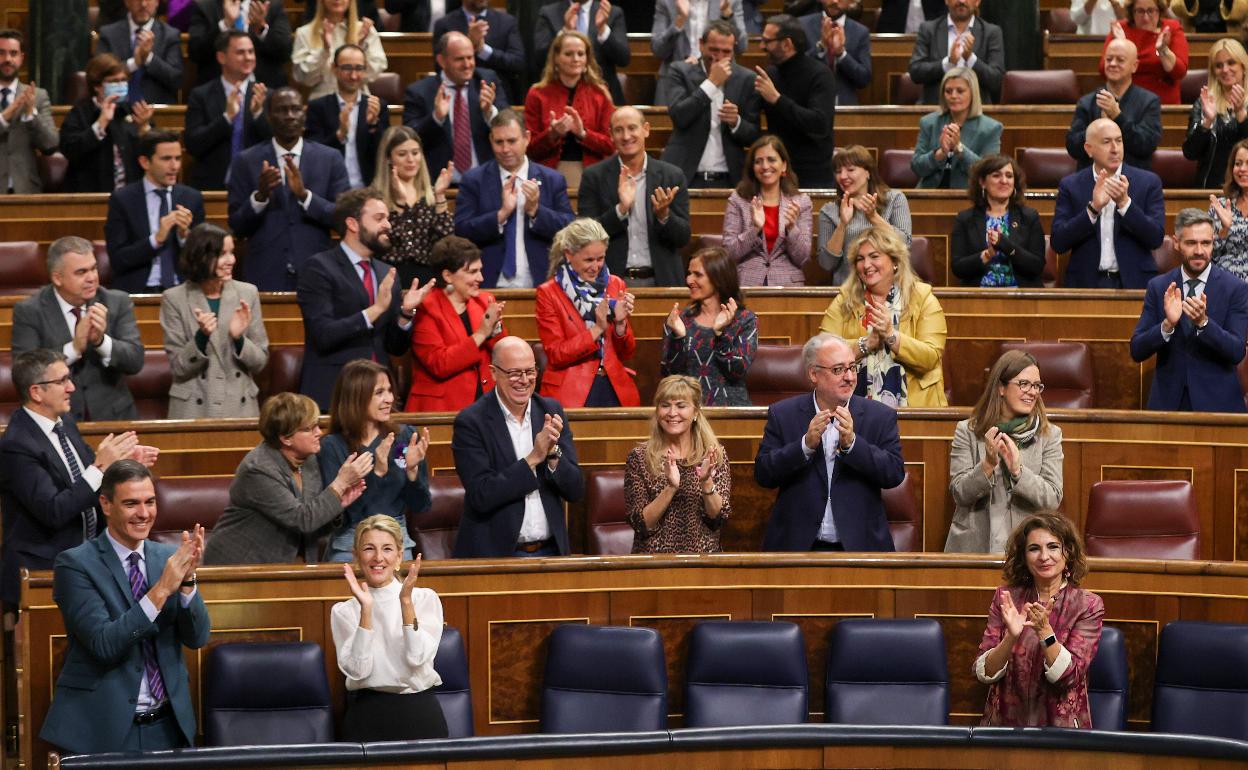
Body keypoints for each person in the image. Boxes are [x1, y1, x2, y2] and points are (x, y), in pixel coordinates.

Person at [39, 461, 209, 754]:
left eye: (150, 502)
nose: (144, 513)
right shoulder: (75, 564)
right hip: (104, 729)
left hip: (168, 728)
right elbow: (104, 644)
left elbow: (197, 638)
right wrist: (161, 590)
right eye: (131, 503)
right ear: (105, 504)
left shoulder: (168, 557)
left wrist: (187, 582)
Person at [0, 350, 157, 606]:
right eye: (61, 381)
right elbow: (54, 510)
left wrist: (119, 466)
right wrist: (101, 465)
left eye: (69, 379)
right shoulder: (17, 445)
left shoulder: (66, 423)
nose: (71, 387)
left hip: (89, 560)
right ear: (36, 392)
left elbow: (90, 483)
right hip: (43, 570)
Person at [754, 333, 906, 551]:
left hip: (859, 548)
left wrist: (853, 445)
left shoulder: (880, 416)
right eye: (838, 370)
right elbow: (763, 474)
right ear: (813, 374)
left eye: (852, 367)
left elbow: (894, 473)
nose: (850, 377)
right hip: (797, 549)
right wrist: (804, 446)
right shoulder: (784, 414)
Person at [296, 187, 434, 411]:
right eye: (379, 218)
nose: (388, 225)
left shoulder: (387, 272)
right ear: (352, 224)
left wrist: (405, 314)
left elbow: (395, 348)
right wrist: (375, 310)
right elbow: (323, 334)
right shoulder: (319, 268)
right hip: (335, 395)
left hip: (381, 398)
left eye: (388, 218)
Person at [451, 336, 585, 557]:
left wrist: (552, 454)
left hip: (551, 553)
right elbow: (481, 495)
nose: (524, 380)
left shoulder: (550, 411)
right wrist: (534, 457)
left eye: (530, 371)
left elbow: (575, 490)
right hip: (497, 556)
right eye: (514, 373)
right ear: (494, 372)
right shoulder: (472, 422)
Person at [203, 392, 374, 564]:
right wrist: (340, 483)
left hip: (286, 565)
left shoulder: (309, 460)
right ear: (286, 438)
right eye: (309, 429)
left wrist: (339, 504)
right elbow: (302, 519)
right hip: (238, 565)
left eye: (317, 425)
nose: (319, 432)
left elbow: (311, 526)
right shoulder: (258, 469)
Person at [975, 513, 1104, 728]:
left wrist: (1045, 633)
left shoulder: (1087, 604)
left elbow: (1068, 677)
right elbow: (984, 673)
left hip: (1061, 734)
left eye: (1053, 547)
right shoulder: (1006, 597)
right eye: (1034, 548)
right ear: (1024, 557)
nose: (1044, 556)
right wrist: (1010, 638)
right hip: (1005, 728)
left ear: (1068, 552)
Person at [331, 515, 448, 741]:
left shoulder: (424, 599)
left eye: (387, 548)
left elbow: (417, 658)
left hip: (420, 713)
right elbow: (358, 671)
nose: (378, 558)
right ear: (356, 556)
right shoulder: (343, 611)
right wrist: (366, 610)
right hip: (367, 715)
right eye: (368, 548)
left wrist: (406, 602)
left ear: (398, 555)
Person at [227, 86, 350, 291]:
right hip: (265, 271)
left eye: (295, 109)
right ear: (269, 116)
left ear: (304, 113)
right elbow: (237, 225)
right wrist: (260, 196)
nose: (290, 116)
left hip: (317, 269)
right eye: (282, 110)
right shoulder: (246, 161)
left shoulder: (330, 158)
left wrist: (305, 196)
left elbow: (342, 218)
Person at [12, 236, 145, 422]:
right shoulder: (30, 311)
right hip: (57, 420)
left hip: (115, 418)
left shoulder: (117, 302)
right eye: (81, 272)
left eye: (94, 268)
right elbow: (24, 373)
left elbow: (135, 361)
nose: (92, 278)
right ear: (57, 278)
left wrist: (101, 342)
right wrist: (74, 348)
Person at [1130, 207, 1248, 411]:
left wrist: (1204, 324)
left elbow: (1237, 351)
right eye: (1191, 243)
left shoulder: (1235, 288)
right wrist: (1167, 325)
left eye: (1206, 243)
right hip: (1168, 405)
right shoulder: (1159, 287)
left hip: (1218, 406)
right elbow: (1137, 350)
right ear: (1176, 243)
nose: (1200, 251)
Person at [946, 351, 1064, 553]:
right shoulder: (968, 431)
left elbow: (1052, 499)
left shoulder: (1049, 435)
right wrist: (987, 466)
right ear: (1001, 388)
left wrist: (1018, 471)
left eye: (1037, 386)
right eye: (1024, 384)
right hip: (973, 549)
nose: (1032, 392)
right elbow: (959, 494)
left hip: (1025, 551)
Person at [819, 227, 949, 407]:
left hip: (915, 409)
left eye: (874, 256)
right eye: (860, 259)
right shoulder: (845, 300)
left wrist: (891, 336)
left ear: (894, 261)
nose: (866, 265)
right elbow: (822, 352)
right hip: (853, 409)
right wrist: (866, 344)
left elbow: (930, 357)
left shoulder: (922, 297)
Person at [320, 360, 431, 562]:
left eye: (389, 391)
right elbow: (342, 516)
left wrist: (412, 472)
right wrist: (377, 474)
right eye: (379, 392)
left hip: (396, 544)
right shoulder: (333, 446)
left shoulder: (402, 439)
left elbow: (421, 505)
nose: (389, 399)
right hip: (350, 545)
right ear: (357, 397)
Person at [454, 109, 577, 289]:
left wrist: (536, 211)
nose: (505, 149)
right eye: (499, 142)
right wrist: (500, 216)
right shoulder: (474, 180)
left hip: (541, 282)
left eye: (511, 141)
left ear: (526, 138)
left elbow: (569, 230)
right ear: (491, 141)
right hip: (487, 282)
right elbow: (461, 230)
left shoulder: (552, 179)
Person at [160, 223, 269, 419]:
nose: (232, 260)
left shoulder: (247, 293)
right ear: (202, 257)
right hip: (193, 409)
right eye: (223, 254)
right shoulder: (174, 298)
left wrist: (239, 339)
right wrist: (201, 337)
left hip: (239, 408)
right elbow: (178, 368)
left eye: (232, 253)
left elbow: (260, 362)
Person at [578, 106, 692, 288]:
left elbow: (683, 237)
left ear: (646, 129)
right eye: (619, 130)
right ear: (611, 135)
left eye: (632, 128)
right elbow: (584, 237)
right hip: (610, 281)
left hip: (661, 281)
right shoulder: (594, 176)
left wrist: (664, 216)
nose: (626, 136)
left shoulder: (672, 176)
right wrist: (620, 210)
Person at [536, 218, 640, 408]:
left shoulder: (615, 284)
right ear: (569, 254)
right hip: (570, 390)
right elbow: (556, 354)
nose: (596, 266)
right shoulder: (549, 293)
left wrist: (620, 324)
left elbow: (627, 352)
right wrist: (598, 329)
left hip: (613, 386)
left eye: (600, 259)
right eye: (589, 260)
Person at [1051, 117, 1166, 289]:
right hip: (1086, 284)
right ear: (1089, 149)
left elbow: (1155, 238)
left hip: (1135, 283)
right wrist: (1093, 209)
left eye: (1119, 141)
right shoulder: (1071, 185)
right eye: (1106, 142)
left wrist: (1125, 204)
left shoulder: (1148, 182)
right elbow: (1059, 243)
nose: (1115, 149)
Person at [625, 375, 732, 554]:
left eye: (681, 406)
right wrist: (671, 488)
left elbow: (718, 519)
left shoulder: (713, 455)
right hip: (654, 564)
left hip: (703, 563)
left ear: (696, 412)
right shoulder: (639, 457)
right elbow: (641, 524)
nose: (672, 413)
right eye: (665, 405)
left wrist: (706, 482)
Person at [659, 19, 762, 189]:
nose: (719, 57)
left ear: (734, 50)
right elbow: (679, 116)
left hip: (731, 178)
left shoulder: (747, 79)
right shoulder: (680, 71)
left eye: (726, 52)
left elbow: (753, 135)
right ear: (701, 45)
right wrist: (712, 83)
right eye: (714, 50)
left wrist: (736, 122)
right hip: (685, 175)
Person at [408, 236, 506, 412]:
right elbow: (440, 363)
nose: (481, 278)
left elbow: (502, 352)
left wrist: (495, 327)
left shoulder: (485, 300)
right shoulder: (426, 308)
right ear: (448, 275)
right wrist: (481, 334)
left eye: (480, 270)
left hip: (485, 404)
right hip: (441, 408)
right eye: (472, 272)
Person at [104, 130, 207, 293]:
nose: (175, 166)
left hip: (182, 291)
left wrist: (184, 236)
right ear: (145, 162)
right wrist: (156, 240)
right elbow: (118, 259)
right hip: (138, 289)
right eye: (166, 159)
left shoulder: (192, 198)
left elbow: (204, 260)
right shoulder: (123, 200)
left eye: (178, 158)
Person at [402, 31, 509, 185]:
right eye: (459, 59)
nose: (467, 64)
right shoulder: (419, 92)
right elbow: (409, 139)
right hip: (440, 183)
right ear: (441, 60)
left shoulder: (486, 81)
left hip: (487, 181)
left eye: (470, 57)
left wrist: (489, 112)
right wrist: (436, 118)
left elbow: (509, 125)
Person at [662, 246, 758, 406]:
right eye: (689, 273)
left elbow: (737, 371)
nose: (688, 280)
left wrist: (721, 334)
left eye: (697, 275)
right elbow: (669, 375)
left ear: (718, 278)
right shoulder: (679, 320)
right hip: (688, 412)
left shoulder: (744, 320)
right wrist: (678, 338)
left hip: (731, 412)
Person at [524, 31, 615, 190]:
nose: (576, 59)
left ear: (587, 59)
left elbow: (611, 145)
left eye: (581, 54)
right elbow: (528, 148)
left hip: (592, 172)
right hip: (547, 172)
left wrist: (583, 134)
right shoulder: (537, 93)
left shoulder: (600, 93)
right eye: (569, 54)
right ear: (556, 58)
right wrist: (552, 134)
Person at [184, 29, 273, 191]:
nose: (248, 57)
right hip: (212, 184)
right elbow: (193, 144)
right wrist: (226, 118)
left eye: (251, 52)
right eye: (240, 52)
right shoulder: (201, 95)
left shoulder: (267, 95)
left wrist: (258, 114)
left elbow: (276, 142)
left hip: (257, 185)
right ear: (221, 57)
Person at [754, 14, 837, 187]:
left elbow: (819, 123)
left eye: (767, 41)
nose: (762, 46)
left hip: (813, 175)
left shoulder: (820, 75)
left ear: (787, 44)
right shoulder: (771, 74)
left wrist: (777, 99)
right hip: (776, 172)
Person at [723, 134, 812, 286]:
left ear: (783, 165)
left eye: (771, 160)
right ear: (753, 168)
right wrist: (755, 229)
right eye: (758, 161)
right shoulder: (738, 200)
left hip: (788, 284)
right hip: (747, 282)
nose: (765, 166)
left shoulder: (801, 202)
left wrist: (792, 228)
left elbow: (802, 258)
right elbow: (729, 254)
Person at [818, 145, 913, 286]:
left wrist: (874, 217)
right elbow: (826, 264)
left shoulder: (894, 199)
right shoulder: (829, 211)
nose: (843, 176)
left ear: (868, 172)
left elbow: (904, 244)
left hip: (890, 288)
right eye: (838, 171)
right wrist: (842, 225)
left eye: (850, 170)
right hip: (847, 291)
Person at [372, 126, 454, 289]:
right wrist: (401, 204)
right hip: (391, 280)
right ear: (388, 158)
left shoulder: (430, 194)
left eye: (415, 153)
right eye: (402, 154)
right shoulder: (375, 198)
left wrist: (439, 196)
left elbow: (446, 245)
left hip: (429, 280)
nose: (411, 160)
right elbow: (383, 245)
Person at [59, 53, 153, 193]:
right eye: (114, 81)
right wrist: (100, 124)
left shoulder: (133, 111)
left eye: (123, 80)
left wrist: (144, 128)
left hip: (130, 194)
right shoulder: (80, 112)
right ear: (97, 86)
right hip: (91, 195)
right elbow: (70, 150)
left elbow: (153, 156)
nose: (120, 85)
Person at [1067, 37, 1162, 172]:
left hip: (1133, 179)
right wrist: (1098, 126)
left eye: (1120, 60)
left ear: (1134, 66)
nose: (1113, 64)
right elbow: (1073, 147)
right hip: (1091, 180)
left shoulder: (1149, 102)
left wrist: (1118, 117)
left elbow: (1146, 145)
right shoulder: (1087, 102)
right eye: (1109, 59)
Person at [951, 155, 1047, 288]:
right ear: (982, 182)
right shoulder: (965, 219)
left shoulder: (1029, 217)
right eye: (996, 175)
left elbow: (1037, 266)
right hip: (978, 299)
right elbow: (958, 268)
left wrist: (1007, 246)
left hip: (1022, 298)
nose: (1004, 181)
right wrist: (987, 254)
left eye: (1009, 176)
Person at [305, 43, 392, 188]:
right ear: (334, 69)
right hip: (331, 190)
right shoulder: (318, 107)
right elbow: (312, 155)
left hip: (369, 189)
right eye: (347, 68)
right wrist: (339, 135)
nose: (353, 76)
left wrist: (373, 126)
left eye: (359, 68)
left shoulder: (377, 107)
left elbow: (386, 153)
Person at [911, 67, 1002, 190]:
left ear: (972, 93)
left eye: (960, 91)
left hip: (968, 196)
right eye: (948, 91)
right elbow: (916, 167)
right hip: (930, 194)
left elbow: (987, 172)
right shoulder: (929, 123)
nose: (953, 96)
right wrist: (940, 153)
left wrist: (959, 148)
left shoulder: (990, 128)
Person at [534, 0, 630, 106]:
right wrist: (565, 31)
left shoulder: (612, 12)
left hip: (603, 98)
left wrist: (603, 30)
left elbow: (623, 59)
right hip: (557, 97)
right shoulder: (549, 13)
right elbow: (539, 58)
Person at [908, 0, 1005, 104]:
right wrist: (948, 62)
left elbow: (996, 80)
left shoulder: (991, 32)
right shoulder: (928, 29)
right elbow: (915, 71)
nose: (961, 1)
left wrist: (971, 59)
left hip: (977, 110)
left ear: (977, 2)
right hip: (936, 108)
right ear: (946, 1)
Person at [652, 0, 747, 106]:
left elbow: (741, 47)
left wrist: (728, 15)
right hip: (677, 78)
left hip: (720, 75)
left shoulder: (730, 2)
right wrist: (679, 20)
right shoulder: (667, 2)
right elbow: (658, 50)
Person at [1182, 38, 1248, 188]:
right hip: (1210, 188)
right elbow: (1190, 153)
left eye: (1231, 63)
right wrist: (1207, 122)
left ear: (1243, 66)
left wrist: (1241, 115)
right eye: (1218, 65)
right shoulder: (1204, 103)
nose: (1225, 70)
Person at [0, 29, 59, 194]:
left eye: (13, 53)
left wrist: (31, 113)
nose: (7, 59)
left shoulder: (38, 96)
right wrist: (4, 117)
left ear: (21, 58)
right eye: (1, 53)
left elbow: (51, 144)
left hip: (25, 190)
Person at [432, 0, 526, 102]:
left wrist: (483, 50)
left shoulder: (506, 21)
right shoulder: (444, 24)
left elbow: (517, 62)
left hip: (498, 96)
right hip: (456, 97)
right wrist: (468, 44)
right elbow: (439, 66)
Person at [292, 0, 386, 101]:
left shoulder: (364, 30)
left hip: (358, 100)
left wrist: (358, 49)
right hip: (321, 102)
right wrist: (324, 51)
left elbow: (374, 72)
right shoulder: (304, 33)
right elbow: (305, 78)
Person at [95, 0, 184, 105]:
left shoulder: (170, 35)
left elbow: (176, 80)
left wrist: (148, 58)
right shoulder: (108, 34)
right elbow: (99, 75)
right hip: (116, 109)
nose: (143, 4)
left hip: (158, 112)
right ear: (127, 2)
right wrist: (134, 63)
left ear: (157, 2)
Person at [188, 0, 292, 89]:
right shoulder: (206, 6)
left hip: (264, 89)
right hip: (217, 93)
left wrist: (261, 29)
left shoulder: (270, 5)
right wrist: (225, 24)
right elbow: (195, 52)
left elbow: (285, 52)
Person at [1103, 0, 1188, 105]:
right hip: (1127, 102)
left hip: (1164, 104)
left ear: (1159, 10)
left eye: (1151, 11)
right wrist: (1123, 45)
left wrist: (1163, 50)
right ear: (1131, 11)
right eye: (1140, 11)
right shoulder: (1120, 29)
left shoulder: (1171, 28)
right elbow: (1104, 69)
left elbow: (1179, 72)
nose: (1146, 17)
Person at [798, 0, 872, 106]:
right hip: (808, 103)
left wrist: (841, 54)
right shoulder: (802, 25)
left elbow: (864, 79)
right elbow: (797, 69)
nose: (835, 1)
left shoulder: (860, 32)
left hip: (845, 106)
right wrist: (821, 46)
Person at [1210, 138, 1248, 280]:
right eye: (1238, 164)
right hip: (1225, 283)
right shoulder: (1220, 206)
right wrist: (1224, 230)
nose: (1242, 169)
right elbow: (1208, 256)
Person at [878, 0, 946, 32]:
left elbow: (943, 21)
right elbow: (885, 26)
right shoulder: (893, 2)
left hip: (931, 43)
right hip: (901, 43)